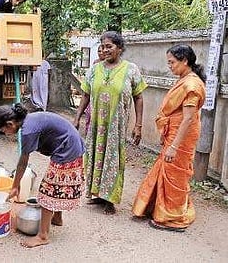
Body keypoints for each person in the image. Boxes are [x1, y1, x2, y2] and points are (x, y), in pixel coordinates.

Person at [132, 44, 206, 232]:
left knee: (176, 174)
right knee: (166, 170)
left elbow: (188, 118)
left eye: (172, 62)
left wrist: (174, 146)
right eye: (168, 62)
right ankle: (160, 210)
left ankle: (174, 218)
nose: (170, 66)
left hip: (182, 136)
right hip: (174, 133)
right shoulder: (184, 80)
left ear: (185, 61)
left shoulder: (192, 85)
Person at [73, 31, 147, 215]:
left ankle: (110, 199)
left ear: (119, 48)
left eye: (109, 46)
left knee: (112, 160)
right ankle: (97, 194)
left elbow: (138, 97)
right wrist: (77, 118)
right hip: (97, 126)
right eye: (103, 46)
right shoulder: (94, 70)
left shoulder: (131, 69)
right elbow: (86, 96)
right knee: (95, 158)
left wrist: (138, 125)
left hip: (116, 127)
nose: (105, 50)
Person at [0, 104, 85, 248]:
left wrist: (15, 186)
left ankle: (43, 236)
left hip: (67, 149)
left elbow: (23, 162)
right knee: (58, 185)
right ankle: (57, 217)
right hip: (71, 145)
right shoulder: (29, 120)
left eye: (4, 130)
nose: (6, 133)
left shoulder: (28, 130)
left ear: (10, 123)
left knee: (47, 191)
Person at [84, 45, 106, 134]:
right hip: (93, 94)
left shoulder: (110, 66)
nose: (100, 53)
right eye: (99, 51)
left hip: (104, 95)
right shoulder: (95, 64)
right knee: (90, 115)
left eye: (102, 51)